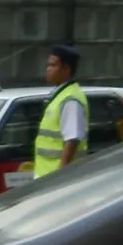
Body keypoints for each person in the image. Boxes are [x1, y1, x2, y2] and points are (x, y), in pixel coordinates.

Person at [33, 43, 89, 178]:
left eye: (53, 65)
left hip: (55, 180)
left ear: (66, 69)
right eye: (48, 65)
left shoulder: (70, 99)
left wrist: (60, 178)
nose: (48, 69)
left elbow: (72, 141)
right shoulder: (60, 95)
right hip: (45, 177)